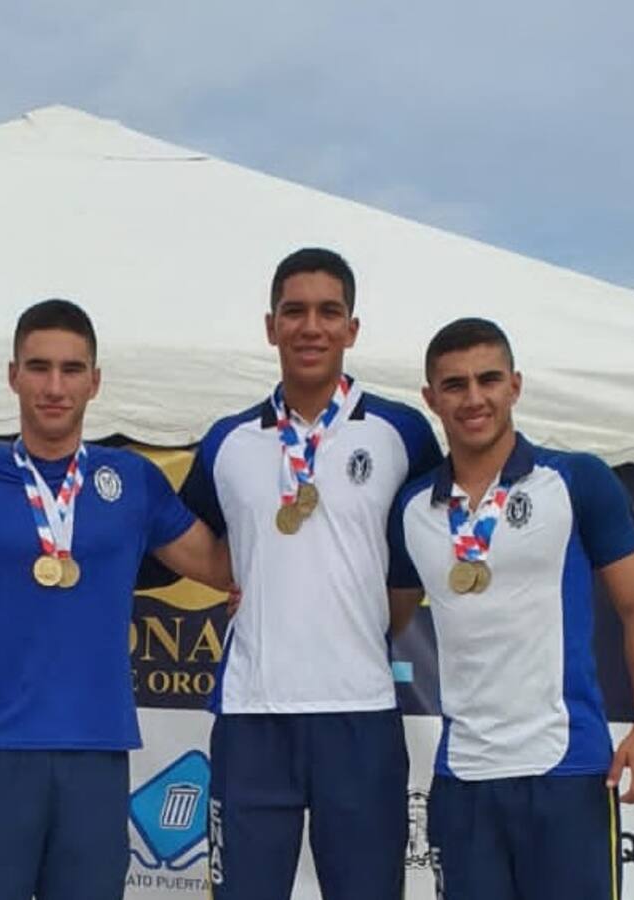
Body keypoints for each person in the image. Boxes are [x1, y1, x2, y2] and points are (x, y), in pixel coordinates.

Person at [0, 298, 233, 900]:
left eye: (71, 370)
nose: (53, 386)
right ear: (12, 374)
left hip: (94, 754)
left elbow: (220, 565)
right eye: (38, 367)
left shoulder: (132, 480)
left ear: (95, 382)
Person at [177, 248, 443, 899]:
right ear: (271, 326)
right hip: (252, 716)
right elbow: (180, 535)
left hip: (359, 714)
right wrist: (236, 574)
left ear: (352, 328)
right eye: (294, 312)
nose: (311, 327)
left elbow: (410, 568)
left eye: (329, 312)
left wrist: (367, 612)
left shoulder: (401, 433)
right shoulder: (228, 440)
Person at [388, 317, 634, 900]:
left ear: (515, 385)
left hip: (565, 770)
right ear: (430, 398)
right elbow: (379, 620)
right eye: (455, 384)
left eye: (488, 380)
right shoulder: (411, 508)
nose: (474, 398)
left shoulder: (575, 480)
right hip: (464, 777)